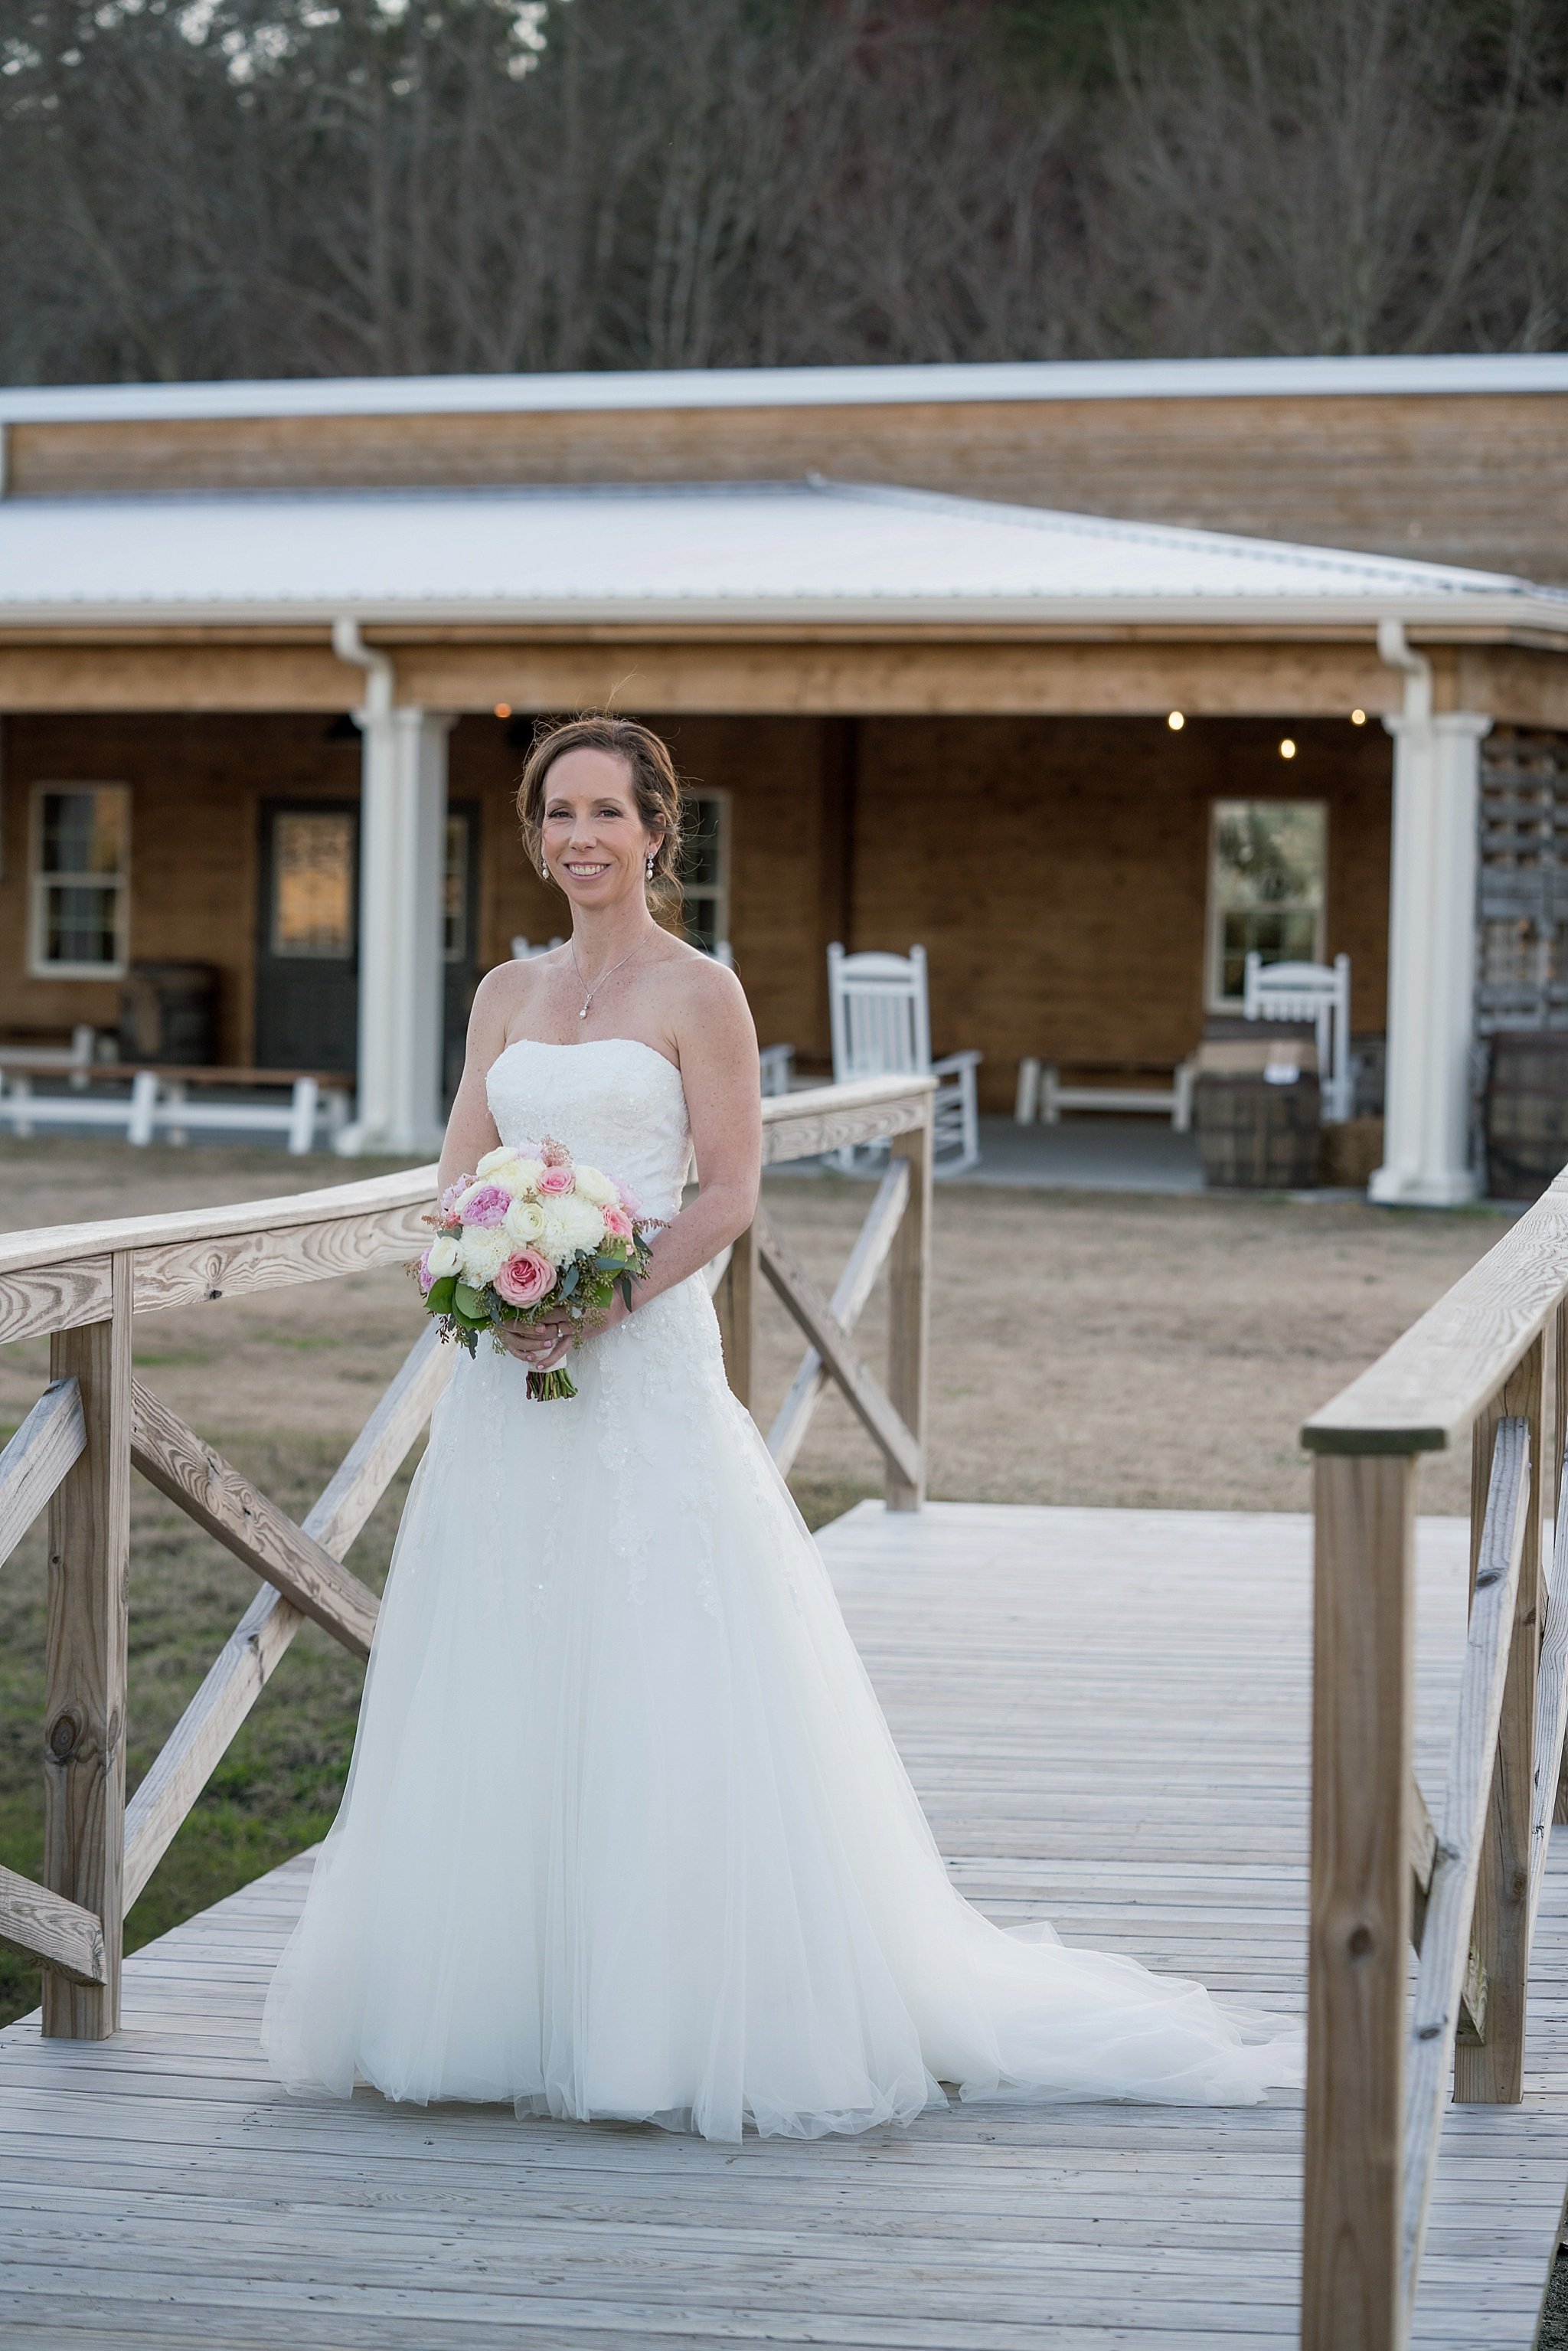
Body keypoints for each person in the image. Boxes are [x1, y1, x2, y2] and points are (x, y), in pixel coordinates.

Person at [263, 713, 1300, 2140]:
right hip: (510, 1386)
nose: (579, 837)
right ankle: (496, 1997)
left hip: (643, 1371)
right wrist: (480, 1277)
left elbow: (730, 1191)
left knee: (657, 1663)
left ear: (655, 831)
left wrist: (601, 1299)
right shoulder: (502, 991)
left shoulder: (703, 992)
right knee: (503, 1662)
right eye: (557, 812)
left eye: (606, 814)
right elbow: (456, 1173)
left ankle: (657, 2014)